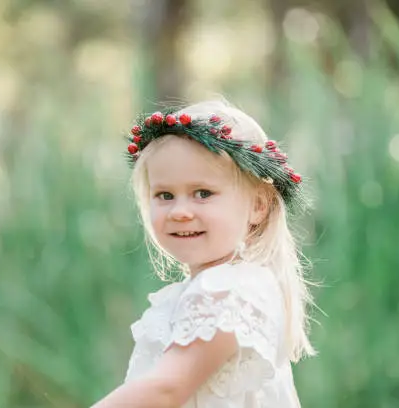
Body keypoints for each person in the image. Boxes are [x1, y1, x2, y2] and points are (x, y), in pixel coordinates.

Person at [92, 99, 316, 408]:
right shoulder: (218, 287)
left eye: (203, 193)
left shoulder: (229, 292)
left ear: (258, 206)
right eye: (165, 195)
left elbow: (166, 390)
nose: (180, 211)